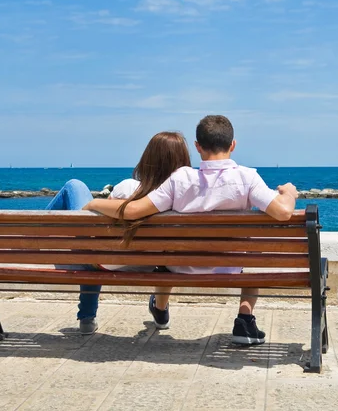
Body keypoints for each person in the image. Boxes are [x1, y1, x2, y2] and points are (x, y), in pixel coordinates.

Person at [84, 115, 299, 345]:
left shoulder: (180, 179)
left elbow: (135, 210)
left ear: (198, 147)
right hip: (228, 270)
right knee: (253, 268)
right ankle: (244, 323)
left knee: (164, 263)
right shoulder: (247, 178)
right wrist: (289, 193)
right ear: (233, 145)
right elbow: (284, 213)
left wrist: (94, 203)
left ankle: (160, 309)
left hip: (180, 268)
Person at [44, 131, 192, 335]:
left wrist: (94, 203)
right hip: (145, 265)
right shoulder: (182, 201)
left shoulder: (128, 188)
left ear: (147, 159)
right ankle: (157, 310)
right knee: (96, 250)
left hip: (99, 259)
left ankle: (30, 239)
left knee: (74, 186)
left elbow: (99, 225)